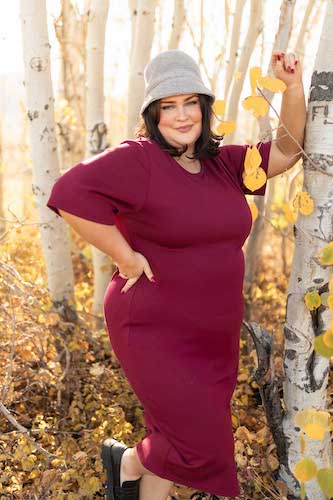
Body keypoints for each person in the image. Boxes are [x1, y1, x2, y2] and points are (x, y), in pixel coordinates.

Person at [47, 49, 304, 500]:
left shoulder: (224, 165)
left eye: (191, 102)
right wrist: (125, 256)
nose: (182, 115)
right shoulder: (141, 159)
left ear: (204, 107)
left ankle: (130, 471)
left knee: (176, 435)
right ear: (153, 113)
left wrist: (292, 86)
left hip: (212, 333)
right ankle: (126, 459)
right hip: (153, 324)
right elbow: (69, 192)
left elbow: (287, 151)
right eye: (169, 105)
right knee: (201, 444)